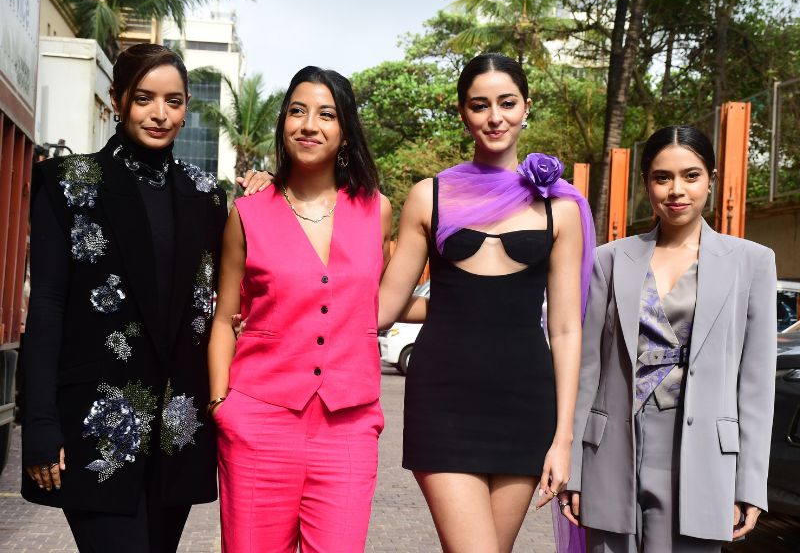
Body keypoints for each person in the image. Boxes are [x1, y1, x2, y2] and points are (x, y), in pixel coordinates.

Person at [21, 43, 270, 552]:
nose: (160, 114)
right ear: (117, 100)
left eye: (173, 101)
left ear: (186, 108)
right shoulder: (68, 184)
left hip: (178, 428)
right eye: (144, 99)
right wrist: (40, 423)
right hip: (95, 424)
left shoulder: (207, 194)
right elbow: (46, 307)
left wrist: (269, 195)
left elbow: (235, 294)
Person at [378, 53, 595, 553]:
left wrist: (563, 438)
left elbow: (566, 329)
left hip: (526, 404)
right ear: (463, 113)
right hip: (443, 402)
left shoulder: (559, 208)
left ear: (526, 107)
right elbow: (384, 307)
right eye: (480, 105)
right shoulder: (428, 196)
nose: (495, 117)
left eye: (507, 103)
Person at [560, 125, 777, 552]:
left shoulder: (751, 262)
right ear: (646, 184)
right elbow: (588, 370)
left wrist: (749, 484)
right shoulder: (609, 260)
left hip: (704, 457)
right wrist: (575, 470)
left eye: (691, 175)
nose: (677, 190)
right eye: (662, 177)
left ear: (711, 180)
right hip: (613, 450)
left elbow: (756, 385)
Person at [208, 65, 392, 553]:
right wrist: (221, 404)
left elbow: (379, 300)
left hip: (349, 426)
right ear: (283, 123)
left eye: (326, 114)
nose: (309, 125)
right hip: (258, 422)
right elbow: (224, 318)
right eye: (297, 111)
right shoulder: (248, 212)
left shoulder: (377, 210)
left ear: (345, 131)